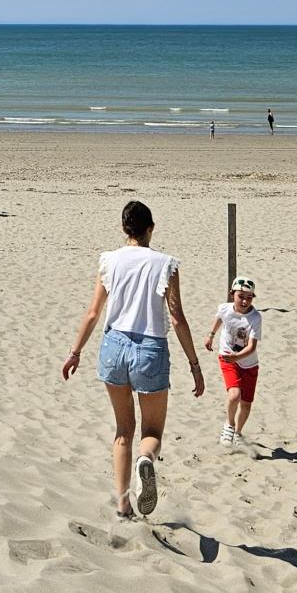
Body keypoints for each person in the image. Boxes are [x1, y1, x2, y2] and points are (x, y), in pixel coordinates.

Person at [61, 200, 205, 518]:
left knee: (123, 429)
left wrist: (75, 352)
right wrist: (195, 365)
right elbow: (177, 317)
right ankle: (147, 461)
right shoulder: (166, 263)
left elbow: (93, 312)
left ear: (125, 229)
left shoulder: (109, 261)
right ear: (150, 228)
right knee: (151, 432)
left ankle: (123, 504)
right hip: (150, 349)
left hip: (113, 346)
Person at [205, 276, 261, 449]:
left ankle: (238, 432)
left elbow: (251, 347)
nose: (244, 301)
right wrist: (211, 335)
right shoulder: (225, 308)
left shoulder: (255, 318)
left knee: (246, 404)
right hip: (228, 358)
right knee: (234, 394)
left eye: (249, 297)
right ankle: (229, 425)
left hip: (249, 364)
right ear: (232, 294)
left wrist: (237, 357)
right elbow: (220, 318)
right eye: (240, 296)